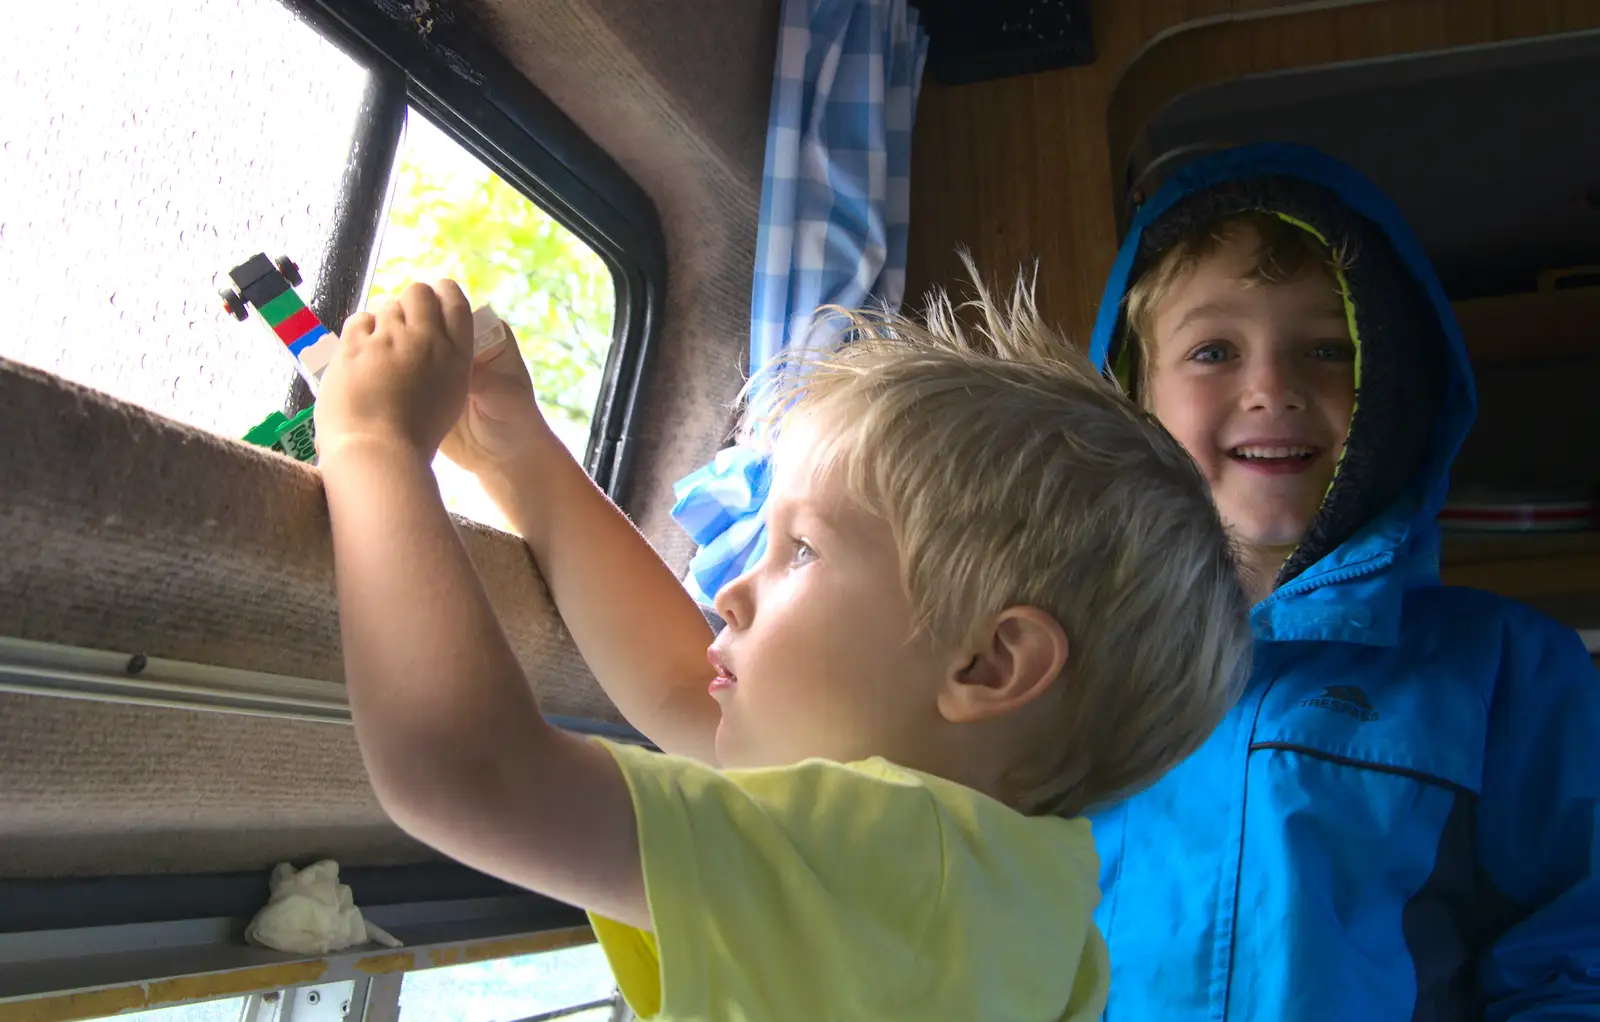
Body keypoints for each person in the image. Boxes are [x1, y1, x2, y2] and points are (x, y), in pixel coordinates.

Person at [312, 278, 1251, 1020]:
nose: (729, 591)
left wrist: (372, 443)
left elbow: (469, 771)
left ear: (989, 665)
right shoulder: (1010, 899)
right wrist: (521, 459)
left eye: (800, 549)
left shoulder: (908, 870)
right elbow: (690, 691)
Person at [1081, 141, 1600, 1019]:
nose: (1272, 388)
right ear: (1135, 396)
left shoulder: (1508, 671)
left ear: (1393, 385)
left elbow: (1572, 965)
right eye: (1212, 351)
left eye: (1328, 348)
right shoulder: (1054, 663)